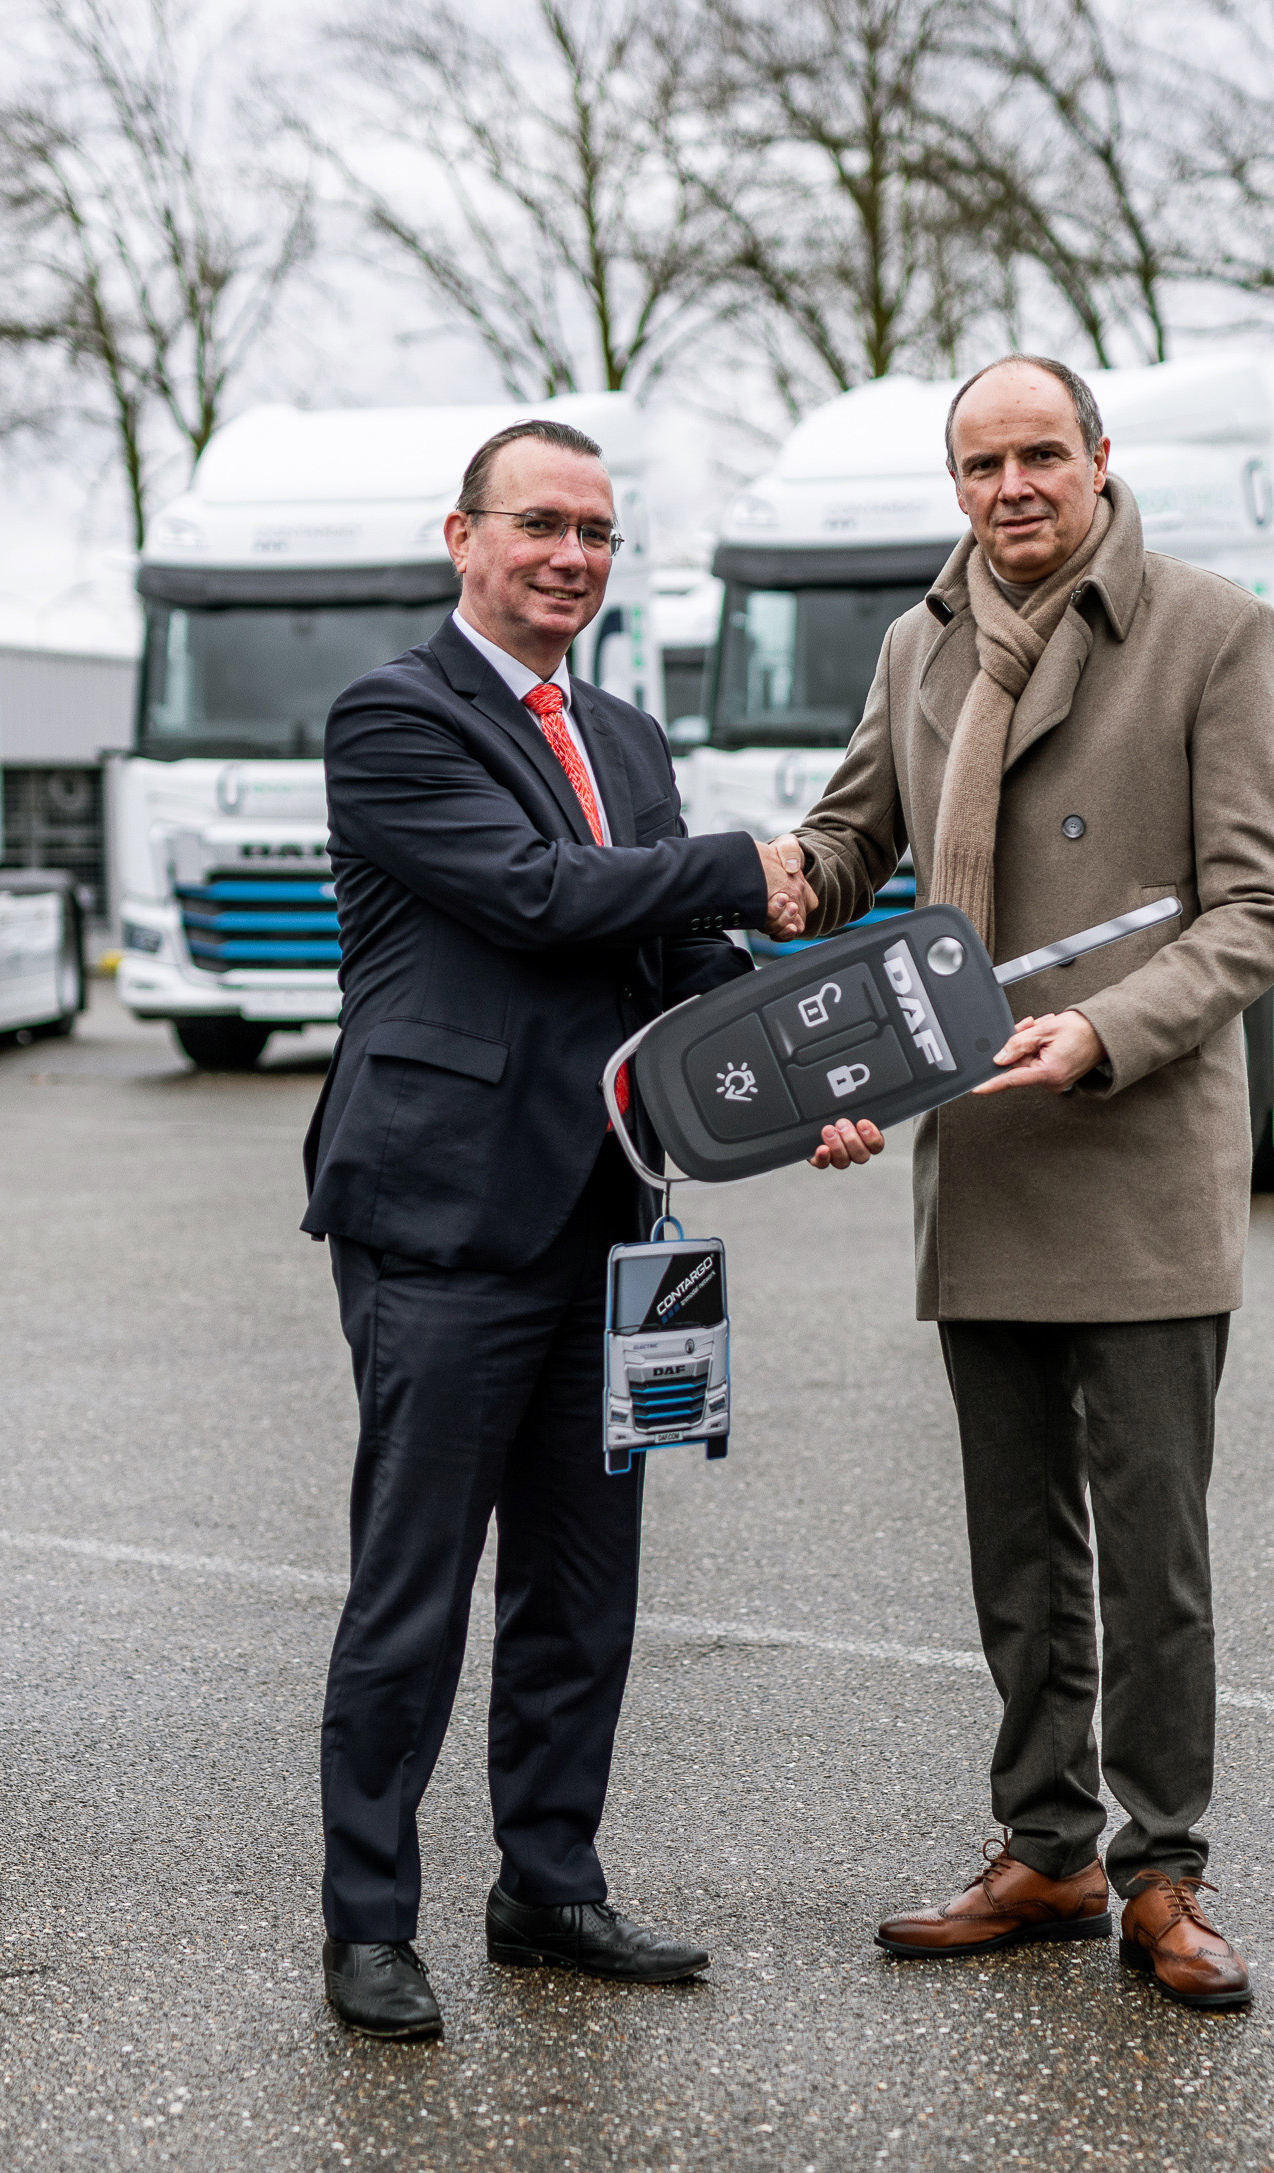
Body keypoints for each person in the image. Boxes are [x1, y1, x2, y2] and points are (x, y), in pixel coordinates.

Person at [767, 355, 1274, 2013]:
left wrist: (1104, 1031)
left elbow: (1262, 905)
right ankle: (1049, 1843)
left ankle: (1167, 1871)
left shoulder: (1214, 631)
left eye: (1040, 456)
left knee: (1153, 1555)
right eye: (981, 464)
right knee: (1017, 1549)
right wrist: (768, 884)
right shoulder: (920, 644)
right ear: (957, 485)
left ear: (1099, 458)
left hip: (1137, 1147)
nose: (1012, 486)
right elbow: (853, 841)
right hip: (981, 1143)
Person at [301, 417, 817, 2042]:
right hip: (445, 1217)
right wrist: (736, 864)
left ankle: (548, 1881)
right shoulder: (394, 717)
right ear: (462, 535)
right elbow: (535, 895)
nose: (572, 556)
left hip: (608, 1214)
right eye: (540, 523)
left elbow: (678, 962)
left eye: (597, 532)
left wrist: (809, 1081)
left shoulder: (629, 735)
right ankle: (369, 1921)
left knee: (583, 1586)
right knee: (416, 1588)